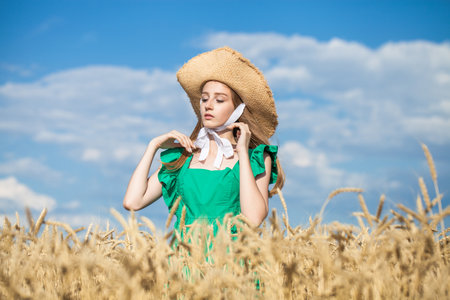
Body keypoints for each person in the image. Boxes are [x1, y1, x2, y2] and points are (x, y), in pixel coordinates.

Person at [123, 47, 284, 235]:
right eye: (205, 98)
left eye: (220, 100)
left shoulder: (255, 158)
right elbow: (133, 202)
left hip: (232, 260)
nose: (208, 105)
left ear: (238, 109)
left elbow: (253, 219)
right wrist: (153, 146)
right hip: (184, 260)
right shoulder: (182, 156)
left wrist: (242, 151)